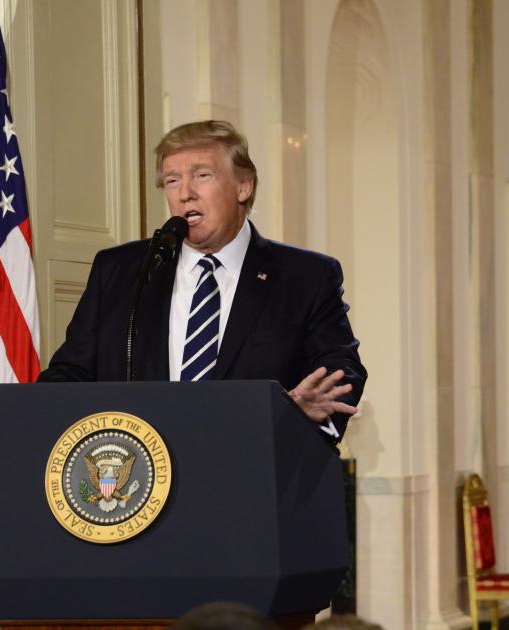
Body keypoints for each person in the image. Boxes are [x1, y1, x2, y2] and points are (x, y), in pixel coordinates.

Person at [38, 120, 366, 440]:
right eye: (172, 180)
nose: (185, 193)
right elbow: (71, 373)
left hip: (257, 462)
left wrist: (294, 415)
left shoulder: (306, 277)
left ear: (244, 186)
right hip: (141, 468)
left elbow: (340, 370)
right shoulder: (121, 271)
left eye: (202, 175)